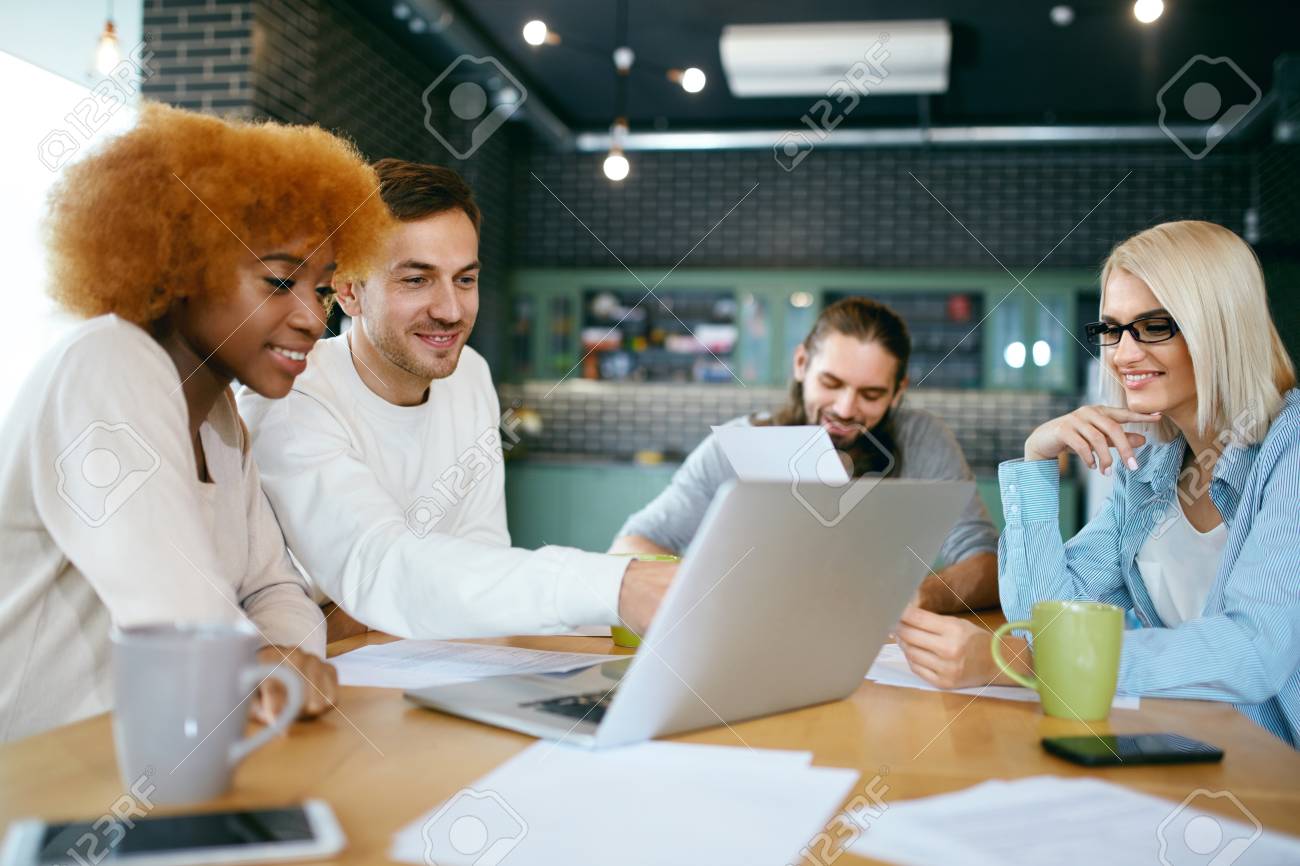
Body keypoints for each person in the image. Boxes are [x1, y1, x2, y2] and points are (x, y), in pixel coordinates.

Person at [0, 104, 393, 742]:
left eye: (320, 289)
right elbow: (170, 597)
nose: (313, 318)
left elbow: (272, 587)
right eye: (277, 281)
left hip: (156, 761)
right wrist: (258, 663)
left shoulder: (219, 413)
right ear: (186, 268)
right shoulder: (105, 361)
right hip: (37, 781)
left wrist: (290, 656)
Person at [896, 220, 1300, 748]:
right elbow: (1042, 611)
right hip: (1194, 750)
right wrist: (1037, 458)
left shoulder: (1288, 449)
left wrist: (1030, 661)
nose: (1123, 354)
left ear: (1219, 326)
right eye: (1112, 329)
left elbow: (1253, 653)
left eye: (1155, 326)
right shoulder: (1152, 469)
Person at [238, 160, 673, 642]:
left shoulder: (470, 375)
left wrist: (380, 609)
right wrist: (612, 585)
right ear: (348, 291)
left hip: (417, 668)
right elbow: (380, 566)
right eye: (416, 279)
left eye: (464, 279)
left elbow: (479, 558)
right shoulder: (290, 393)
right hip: (312, 687)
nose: (449, 311)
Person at [612, 297, 999, 613]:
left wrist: (916, 598)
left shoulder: (924, 441)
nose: (847, 409)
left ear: (898, 392)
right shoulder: (735, 446)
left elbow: (990, 565)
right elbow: (633, 543)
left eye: (871, 394)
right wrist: (714, 596)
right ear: (801, 364)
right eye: (831, 383)